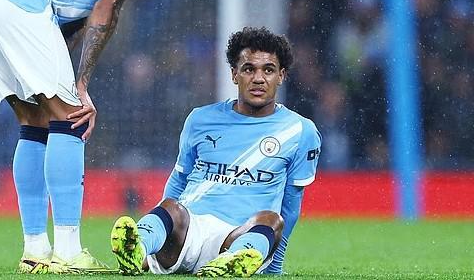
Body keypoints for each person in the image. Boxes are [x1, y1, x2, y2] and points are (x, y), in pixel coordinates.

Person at [0, 0, 207, 274]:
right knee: (71, 117)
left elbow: (71, 24)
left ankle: (35, 251)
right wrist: (82, 85)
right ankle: (69, 250)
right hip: (19, 2)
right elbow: (108, 9)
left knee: (34, 122)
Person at [111, 27, 321, 277]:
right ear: (234, 74)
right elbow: (179, 180)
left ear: (281, 76)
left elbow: (291, 204)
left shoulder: (301, 131)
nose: (258, 78)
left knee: (271, 220)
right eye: (248, 69)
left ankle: (230, 262)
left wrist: (274, 266)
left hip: (240, 236)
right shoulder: (200, 119)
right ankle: (138, 249)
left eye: (268, 70)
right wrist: (160, 239)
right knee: (171, 207)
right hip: (188, 234)